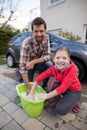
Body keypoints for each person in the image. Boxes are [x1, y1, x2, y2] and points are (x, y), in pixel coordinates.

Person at [29, 47, 82, 115]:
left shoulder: (73, 69)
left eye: (64, 58)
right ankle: (57, 99)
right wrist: (32, 92)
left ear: (69, 60)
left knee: (60, 110)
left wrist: (46, 96)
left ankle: (75, 101)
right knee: (54, 85)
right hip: (64, 89)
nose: (60, 60)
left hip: (74, 91)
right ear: (54, 59)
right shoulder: (53, 68)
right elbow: (38, 78)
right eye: (58, 57)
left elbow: (63, 88)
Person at [19, 17, 53, 94]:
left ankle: (44, 86)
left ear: (45, 31)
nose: (39, 34)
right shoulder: (26, 43)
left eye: (41, 31)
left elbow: (47, 55)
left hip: (37, 62)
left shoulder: (46, 38)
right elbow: (23, 67)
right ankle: (20, 77)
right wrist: (28, 88)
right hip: (28, 66)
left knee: (50, 65)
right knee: (26, 85)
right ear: (32, 32)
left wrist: (34, 61)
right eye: (36, 31)